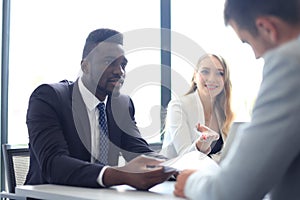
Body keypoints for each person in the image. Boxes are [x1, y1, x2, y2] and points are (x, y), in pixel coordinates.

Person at [174, 0, 300, 199]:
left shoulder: (290, 62)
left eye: (248, 42)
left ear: (267, 28)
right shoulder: (181, 105)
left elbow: (233, 190)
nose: (257, 56)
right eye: (205, 72)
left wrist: (190, 183)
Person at [25, 28, 175, 190]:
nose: (120, 71)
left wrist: (176, 168)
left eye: (123, 64)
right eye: (109, 62)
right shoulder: (49, 97)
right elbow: (54, 165)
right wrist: (122, 174)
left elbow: (138, 152)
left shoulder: (122, 105)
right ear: (85, 66)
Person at [161, 54, 234, 162]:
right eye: (205, 71)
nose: (212, 78)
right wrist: (202, 143)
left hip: (210, 175)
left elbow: (226, 155)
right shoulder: (178, 106)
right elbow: (185, 158)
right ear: (195, 76)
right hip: (175, 177)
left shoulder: (223, 111)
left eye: (219, 73)